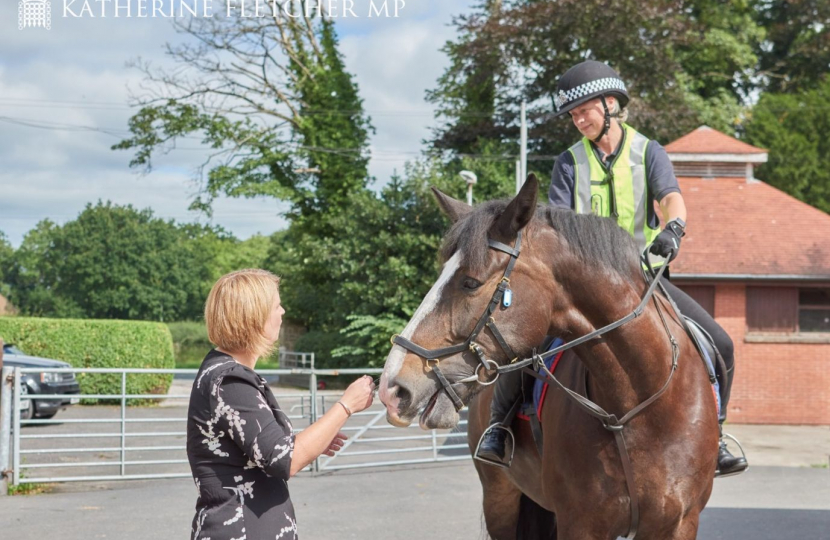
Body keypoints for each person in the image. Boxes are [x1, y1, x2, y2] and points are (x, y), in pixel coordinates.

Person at [476, 60, 747, 477]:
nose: (578, 120)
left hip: (644, 279)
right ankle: (498, 426)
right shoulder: (569, 162)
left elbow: (671, 197)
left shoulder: (647, 151)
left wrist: (674, 226)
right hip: (584, 289)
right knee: (528, 344)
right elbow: (559, 224)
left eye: (584, 110)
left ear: (611, 104)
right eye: (573, 114)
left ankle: (719, 433)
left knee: (721, 343)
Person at [187, 269, 375, 540]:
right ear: (254, 315)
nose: (282, 312)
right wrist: (346, 406)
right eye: (276, 305)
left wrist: (315, 440)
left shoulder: (223, 372)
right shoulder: (229, 381)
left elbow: (268, 450)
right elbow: (284, 460)